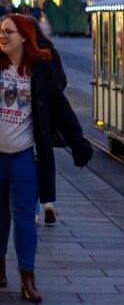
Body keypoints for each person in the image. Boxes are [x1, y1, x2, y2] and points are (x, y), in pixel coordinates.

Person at [0, 14, 93, 302]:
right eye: (0, 32)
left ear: (24, 37)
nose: (2, 36)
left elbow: (62, 110)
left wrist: (80, 146)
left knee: (24, 216)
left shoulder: (40, 71)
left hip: (27, 155)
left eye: (8, 32)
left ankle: (27, 276)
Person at [28, 17, 67, 225]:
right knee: (45, 159)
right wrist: (53, 98)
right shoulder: (50, 49)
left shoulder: (26, 53)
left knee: (29, 161)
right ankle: (48, 205)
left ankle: (33, 210)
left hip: (27, 116)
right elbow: (63, 79)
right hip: (46, 116)